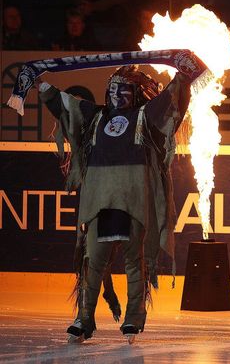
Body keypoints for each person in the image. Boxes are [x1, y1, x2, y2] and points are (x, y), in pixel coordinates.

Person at [29, 53, 206, 344]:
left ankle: (134, 319)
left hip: (134, 200)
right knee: (93, 260)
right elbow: (68, 107)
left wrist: (183, 77)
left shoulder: (145, 117)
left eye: (124, 89)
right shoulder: (95, 116)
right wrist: (42, 86)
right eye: (113, 88)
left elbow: (170, 103)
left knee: (135, 260)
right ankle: (83, 319)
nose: (117, 94)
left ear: (136, 94)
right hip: (100, 201)